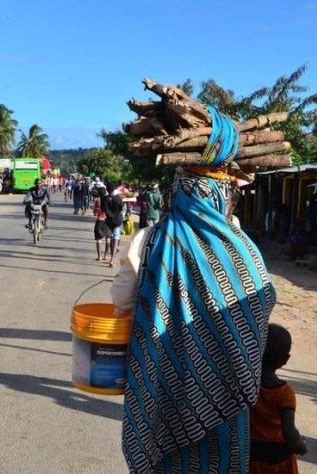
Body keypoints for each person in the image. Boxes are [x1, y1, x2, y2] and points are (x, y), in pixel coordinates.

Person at [109, 106, 275, 473]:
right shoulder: (244, 249)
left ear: (179, 191)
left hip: (161, 387)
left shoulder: (150, 241)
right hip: (227, 398)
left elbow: (120, 300)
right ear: (221, 195)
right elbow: (264, 302)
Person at [249, 324, 308, 474]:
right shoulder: (284, 393)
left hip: (251, 455)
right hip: (277, 458)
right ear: (285, 360)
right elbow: (288, 430)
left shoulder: (247, 383)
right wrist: (298, 443)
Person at [101, 186, 125, 267]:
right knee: (116, 239)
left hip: (109, 221)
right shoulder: (118, 198)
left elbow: (102, 209)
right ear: (114, 189)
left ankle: (112, 257)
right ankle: (112, 259)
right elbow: (121, 208)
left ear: (107, 190)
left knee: (111, 239)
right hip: (117, 221)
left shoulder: (104, 199)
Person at [92, 187, 111, 261]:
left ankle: (99, 256)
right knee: (108, 238)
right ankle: (106, 255)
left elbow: (94, 212)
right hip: (107, 220)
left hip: (99, 220)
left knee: (98, 239)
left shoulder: (96, 200)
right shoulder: (108, 200)